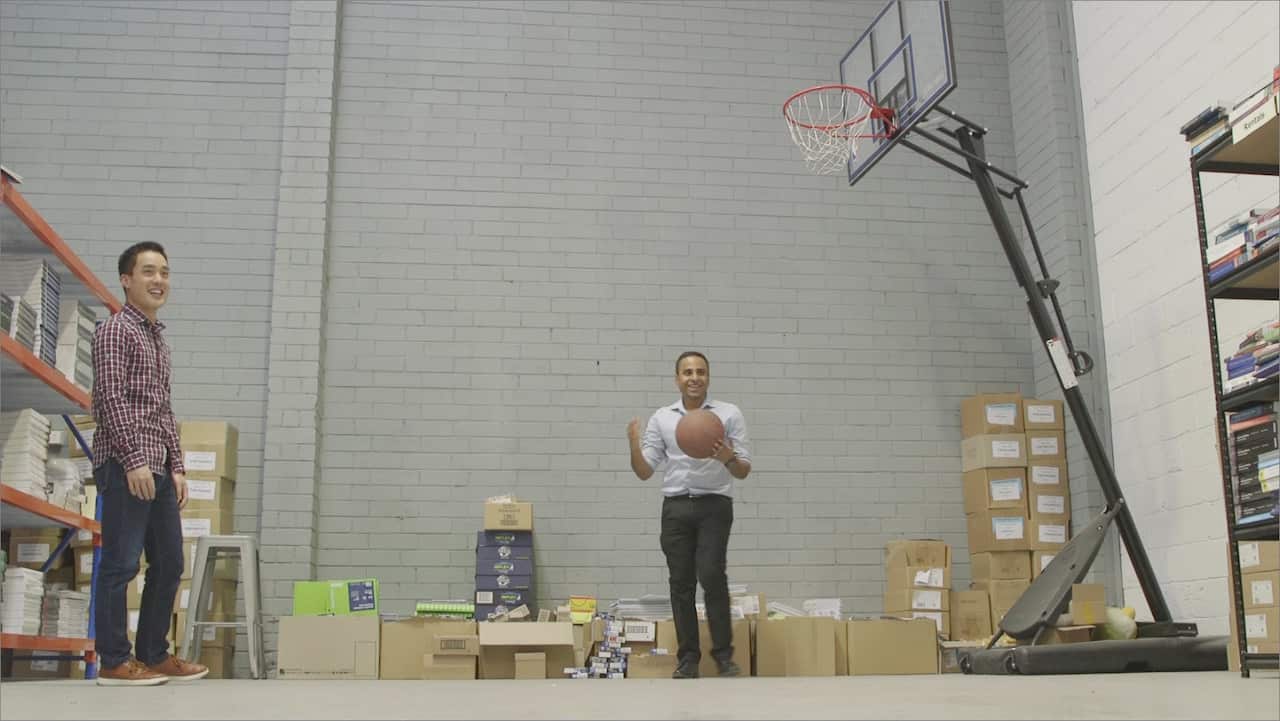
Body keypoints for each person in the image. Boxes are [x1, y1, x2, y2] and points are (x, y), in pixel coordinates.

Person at [91, 242, 208, 685]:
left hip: (158, 466)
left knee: (170, 563)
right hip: (127, 464)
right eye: (148, 272)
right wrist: (136, 460)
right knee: (121, 565)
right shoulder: (115, 331)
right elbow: (109, 400)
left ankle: (155, 654)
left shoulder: (157, 340)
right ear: (126, 279)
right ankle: (114, 662)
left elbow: (161, 409)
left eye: (164, 272)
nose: (159, 280)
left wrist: (176, 466)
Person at [627, 351, 752, 679]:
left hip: (715, 506)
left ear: (708, 377)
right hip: (677, 508)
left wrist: (728, 457)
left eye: (700, 371)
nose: (694, 377)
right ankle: (688, 660)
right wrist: (633, 446)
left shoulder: (729, 414)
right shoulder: (663, 418)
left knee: (712, 575)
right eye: (687, 372)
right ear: (677, 379)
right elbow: (644, 472)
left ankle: (724, 657)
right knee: (680, 582)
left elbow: (743, 471)